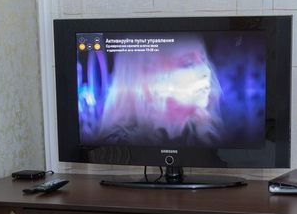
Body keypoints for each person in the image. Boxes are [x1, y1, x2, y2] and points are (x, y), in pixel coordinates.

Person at [93, 35, 224, 147]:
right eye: (188, 63)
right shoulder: (119, 148)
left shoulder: (207, 136)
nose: (205, 72)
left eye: (203, 60)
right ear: (148, 81)